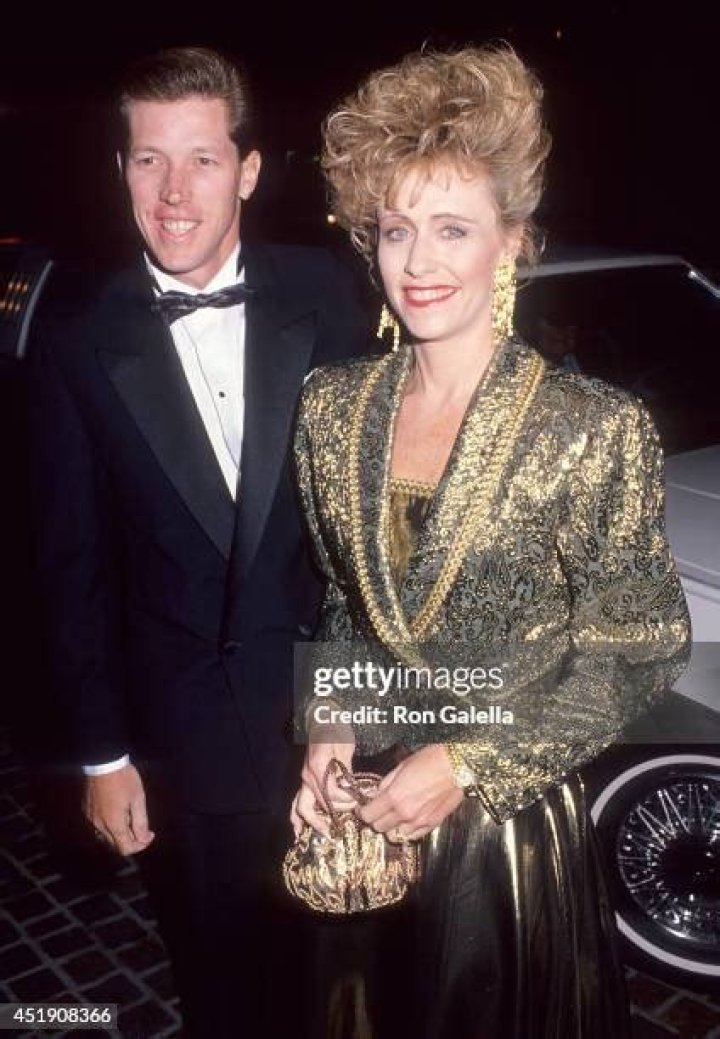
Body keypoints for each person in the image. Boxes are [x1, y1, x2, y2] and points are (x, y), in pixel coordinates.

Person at [291, 46, 690, 1038]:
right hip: (367, 819)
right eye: (396, 230)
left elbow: (641, 648)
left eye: (453, 229)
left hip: (502, 838)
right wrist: (331, 728)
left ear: (512, 242)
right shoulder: (332, 408)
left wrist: (467, 761)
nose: (418, 263)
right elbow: (342, 600)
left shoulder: (590, 427)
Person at [28, 46, 368, 1038]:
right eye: (149, 160)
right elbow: (71, 567)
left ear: (249, 170)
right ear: (121, 169)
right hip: (193, 733)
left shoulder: (329, 290)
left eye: (203, 160)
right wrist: (102, 757)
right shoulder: (77, 338)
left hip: (340, 714)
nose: (174, 193)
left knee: (350, 980)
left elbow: (373, 520)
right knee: (227, 987)